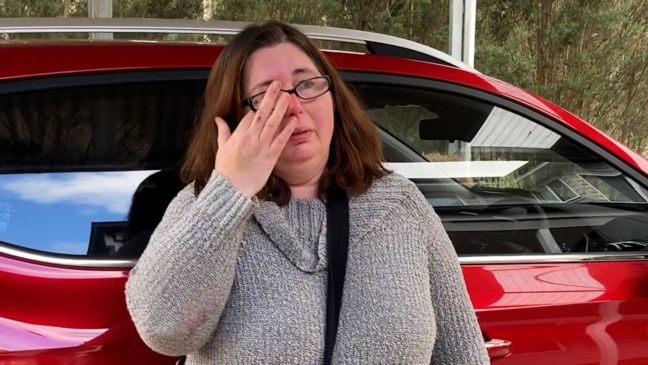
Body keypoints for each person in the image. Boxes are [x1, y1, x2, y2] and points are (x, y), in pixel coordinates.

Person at [125, 21, 490, 364]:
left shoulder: (401, 205)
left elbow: (462, 351)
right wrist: (231, 189)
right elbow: (164, 331)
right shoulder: (203, 204)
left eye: (307, 85)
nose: (294, 106)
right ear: (236, 120)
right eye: (266, 97)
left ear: (333, 96)